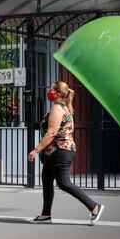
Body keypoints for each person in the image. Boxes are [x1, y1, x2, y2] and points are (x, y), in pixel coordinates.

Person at [28, 81, 104, 226]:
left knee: (64, 183)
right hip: (56, 151)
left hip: (60, 151)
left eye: (51, 89)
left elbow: (52, 132)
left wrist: (36, 149)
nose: (49, 91)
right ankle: (46, 214)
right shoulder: (66, 108)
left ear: (56, 94)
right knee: (47, 180)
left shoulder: (58, 108)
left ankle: (94, 206)